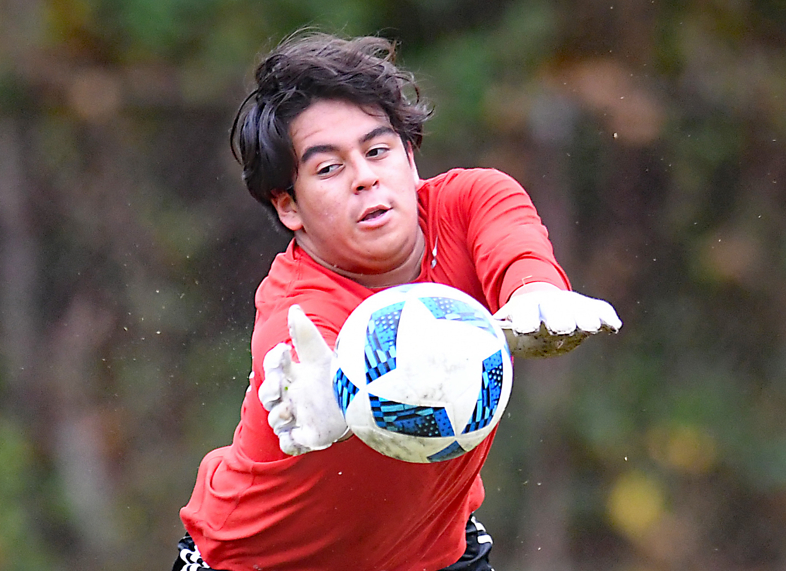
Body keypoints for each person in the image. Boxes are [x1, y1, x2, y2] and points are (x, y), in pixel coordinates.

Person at [172, 32, 621, 571]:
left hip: (434, 556)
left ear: (409, 159)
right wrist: (332, 398)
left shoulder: (471, 201)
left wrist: (536, 293)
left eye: (377, 150)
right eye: (329, 168)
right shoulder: (297, 309)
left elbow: (517, 255)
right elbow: (303, 365)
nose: (365, 178)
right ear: (289, 206)